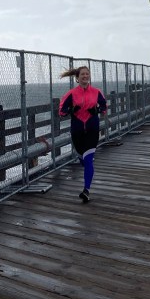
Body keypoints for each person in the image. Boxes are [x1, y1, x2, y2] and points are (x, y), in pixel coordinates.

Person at [59, 65, 107, 202]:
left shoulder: (97, 92)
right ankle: (88, 169)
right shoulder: (71, 94)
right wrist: (72, 110)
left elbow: (104, 108)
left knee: (88, 159)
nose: (85, 76)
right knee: (83, 160)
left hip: (92, 129)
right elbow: (61, 111)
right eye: (82, 75)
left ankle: (86, 190)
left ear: (89, 76)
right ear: (77, 78)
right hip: (77, 131)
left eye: (87, 74)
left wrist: (97, 110)